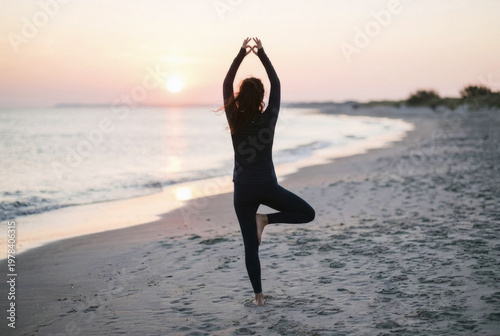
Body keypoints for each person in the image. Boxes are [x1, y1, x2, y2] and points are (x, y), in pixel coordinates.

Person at [222, 37, 315, 306]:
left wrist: (241, 53)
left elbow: (226, 83)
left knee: (250, 246)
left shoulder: (234, 118)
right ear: (262, 97)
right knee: (307, 213)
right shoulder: (269, 118)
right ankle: (267, 220)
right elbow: (277, 83)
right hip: (266, 186)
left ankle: (259, 297)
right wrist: (261, 53)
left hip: (242, 191)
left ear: (239, 96)